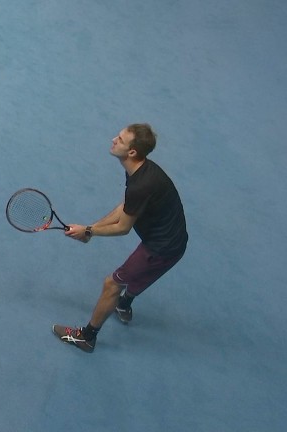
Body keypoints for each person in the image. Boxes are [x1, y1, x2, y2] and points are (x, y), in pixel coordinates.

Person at [52, 123, 188, 353]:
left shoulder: (141, 185)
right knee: (138, 276)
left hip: (160, 249)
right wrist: (89, 228)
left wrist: (89, 232)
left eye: (120, 140)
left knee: (112, 284)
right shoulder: (142, 171)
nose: (113, 139)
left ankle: (87, 337)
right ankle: (124, 305)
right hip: (175, 243)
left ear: (132, 152)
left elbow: (124, 227)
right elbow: (127, 207)